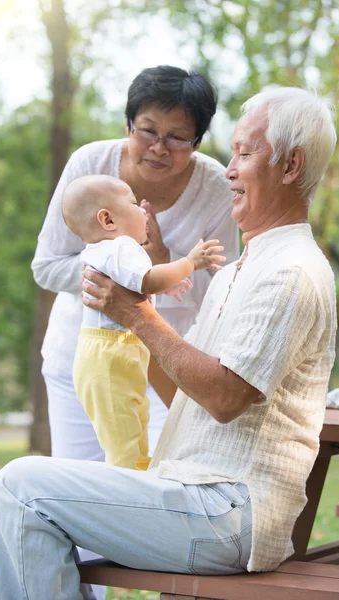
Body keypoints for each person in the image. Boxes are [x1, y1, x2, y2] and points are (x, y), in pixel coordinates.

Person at [0, 86, 337, 599]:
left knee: (21, 489)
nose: (229, 170)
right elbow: (183, 390)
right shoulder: (243, 267)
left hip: (227, 510)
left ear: (291, 166)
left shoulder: (290, 271)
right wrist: (123, 323)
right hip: (194, 493)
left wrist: (136, 312)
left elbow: (223, 398)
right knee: (28, 490)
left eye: (244, 153)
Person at [31, 65, 239, 599]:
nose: (159, 148)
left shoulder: (216, 186)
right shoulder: (90, 167)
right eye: (148, 130)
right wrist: (115, 274)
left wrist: (165, 269)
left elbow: (227, 284)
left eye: (178, 138)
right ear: (129, 124)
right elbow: (47, 264)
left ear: (198, 139)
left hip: (169, 364)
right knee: (75, 494)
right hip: (85, 359)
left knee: (170, 486)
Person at [62, 174, 225, 468]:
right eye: (134, 204)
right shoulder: (120, 247)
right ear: (108, 220)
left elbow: (138, 284)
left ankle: (135, 471)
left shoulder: (103, 251)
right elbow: (147, 279)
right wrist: (190, 263)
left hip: (108, 355)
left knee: (130, 421)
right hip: (111, 357)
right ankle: (129, 482)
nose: (143, 211)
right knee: (124, 434)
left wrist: (165, 284)